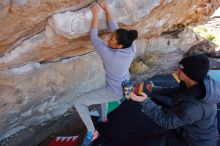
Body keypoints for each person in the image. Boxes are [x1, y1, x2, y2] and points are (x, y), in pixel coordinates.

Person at [73, 0, 138, 145]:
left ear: (119, 46)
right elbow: (115, 28)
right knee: (103, 92)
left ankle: (92, 132)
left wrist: (95, 14)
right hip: (123, 83)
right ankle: (103, 118)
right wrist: (106, 8)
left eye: (112, 39)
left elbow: (94, 38)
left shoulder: (111, 56)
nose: (109, 38)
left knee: (79, 102)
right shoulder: (131, 46)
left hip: (115, 90)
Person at [129, 54, 220, 146]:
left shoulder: (192, 107)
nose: (176, 71)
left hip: (194, 141)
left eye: (180, 69)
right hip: (189, 128)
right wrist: (154, 89)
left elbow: (167, 122)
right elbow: (177, 90)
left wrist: (145, 101)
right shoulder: (198, 81)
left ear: (188, 74)